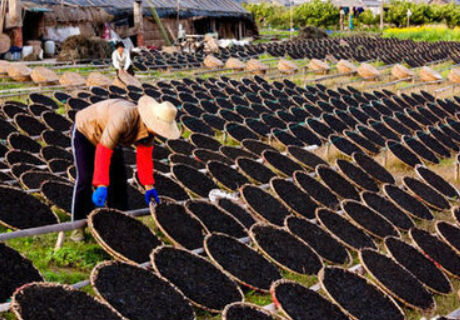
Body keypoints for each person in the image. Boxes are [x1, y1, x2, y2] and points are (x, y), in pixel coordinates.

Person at [70, 96, 181, 242]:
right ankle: (77, 227)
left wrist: (149, 187)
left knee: (119, 179)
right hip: (86, 132)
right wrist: (102, 184)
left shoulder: (149, 133)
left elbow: (144, 158)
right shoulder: (125, 118)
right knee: (85, 178)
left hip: (111, 138)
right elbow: (103, 150)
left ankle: (120, 221)